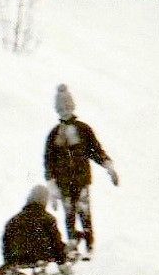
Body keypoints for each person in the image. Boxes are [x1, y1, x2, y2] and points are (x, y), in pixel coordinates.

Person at [44, 83, 118, 254]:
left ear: (72, 106)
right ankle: (73, 244)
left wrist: (108, 166)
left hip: (81, 180)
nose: (65, 110)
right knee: (69, 213)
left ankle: (89, 245)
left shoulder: (83, 130)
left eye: (67, 106)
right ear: (57, 110)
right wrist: (52, 186)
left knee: (84, 212)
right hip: (63, 183)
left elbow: (95, 151)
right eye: (61, 108)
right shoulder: (54, 135)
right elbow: (48, 162)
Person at [1, 184, 71, 274]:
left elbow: (6, 244)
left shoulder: (13, 220)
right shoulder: (48, 219)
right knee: (61, 246)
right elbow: (56, 244)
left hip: (17, 258)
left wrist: (8, 262)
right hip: (40, 257)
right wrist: (62, 263)